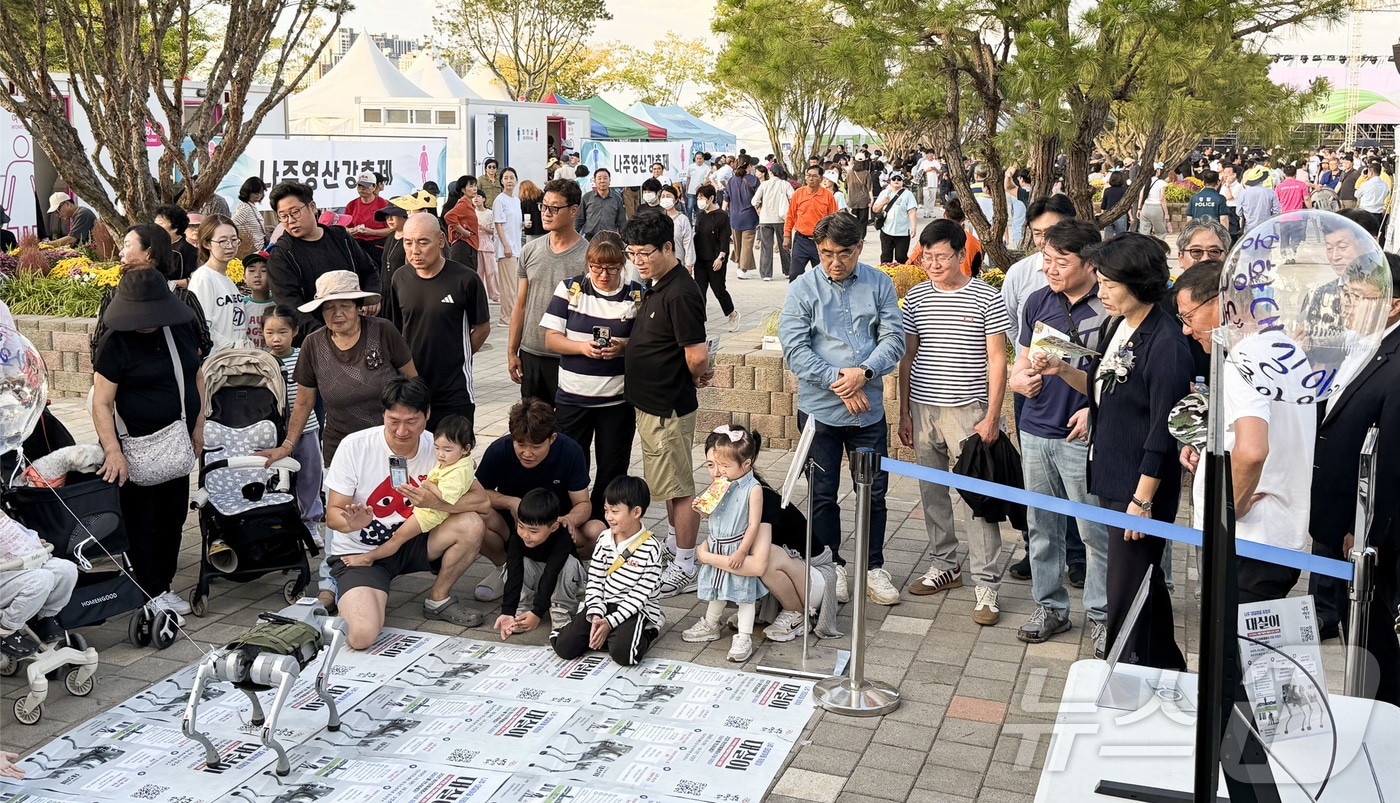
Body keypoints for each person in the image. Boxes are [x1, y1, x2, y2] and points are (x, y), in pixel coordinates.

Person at [1033, 233, 1191, 670]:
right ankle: (1166, 668)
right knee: (1143, 585)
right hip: (1111, 473)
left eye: (1108, 284)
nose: (1100, 292)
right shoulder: (1116, 325)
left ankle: (1126, 670)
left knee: (1126, 588)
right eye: (1099, 282)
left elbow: (1163, 430)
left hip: (1140, 487)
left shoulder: (1165, 343)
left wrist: (1143, 500)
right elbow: (1102, 390)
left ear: (1138, 283)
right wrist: (1062, 369)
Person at [778, 212, 906, 604]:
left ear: (859, 247)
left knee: (874, 492)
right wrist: (842, 382)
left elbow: (894, 339)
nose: (835, 262)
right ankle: (830, 566)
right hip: (820, 414)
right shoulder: (803, 288)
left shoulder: (879, 283)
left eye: (844, 253)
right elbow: (795, 350)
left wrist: (862, 373)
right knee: (822, 494)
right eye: (826, 253)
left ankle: (872, 566)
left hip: (868, 413)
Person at [1174, 260, 1315, 603]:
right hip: (1278, 534)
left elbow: (1252, 450)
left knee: (1232, 635)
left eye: (1188, 317)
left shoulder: (1243, 360)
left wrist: (1230, 509)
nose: (1187, 330)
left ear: (1221, 305)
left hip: (1247, 540)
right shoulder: (1285, 348)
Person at [898, 219, 1012, 620]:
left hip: (970, 412)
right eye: (927, 257)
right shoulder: (916, 298)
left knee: (977, 499)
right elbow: (908, 357)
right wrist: (904, 412)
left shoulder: (987, 297)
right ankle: (945, 565)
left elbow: (997, 360)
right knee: (932, 493)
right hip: (923, 409)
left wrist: (993, 415)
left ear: (962, 255)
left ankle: (987, 584)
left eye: (942, 257)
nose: (933, 264)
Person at [1007, 220, 1111, 653]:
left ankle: (1103, 615)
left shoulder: (1110, 304)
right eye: (1046, 260)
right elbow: (1022, 358)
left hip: (1081, 435)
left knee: (1094, 531)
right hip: (1036, 428)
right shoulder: (1037, 301)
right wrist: (1017, 379)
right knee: (1042, 527)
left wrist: (1096, 409)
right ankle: (1050, 606)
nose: (1050, 269)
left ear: (1089, 263)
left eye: (1061, 262)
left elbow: (1119, 377)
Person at [325, 378, 487, 649]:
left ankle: (438, 598)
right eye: (394, 421)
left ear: (427, 414)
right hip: (363, 552)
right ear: (383, 415)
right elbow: (332, 516)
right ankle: (354, 595)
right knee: (361, 636)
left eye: (411, 421)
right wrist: (351, 523)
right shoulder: (355, 446)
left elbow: (482, 501)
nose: (402, 431)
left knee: (471, 523)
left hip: (415, 539)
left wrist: (437, 503)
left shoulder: (440, 447)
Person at [1308, 255, 1400, 704]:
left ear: (1393, 304)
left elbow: (1392, 458)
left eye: (1359, 297)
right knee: (1356, 628)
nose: (1345, 304)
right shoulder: (1361, 343)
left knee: (1373, 633)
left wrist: (1366, 532)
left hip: (1364, 529)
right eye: (1346, 294)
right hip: (1338, 511)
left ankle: (1384, 712)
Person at [92, 267, 206, 621]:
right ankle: (147, 590)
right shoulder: (115, 343)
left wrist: (199, 426)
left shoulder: (180, 330)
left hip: (175, 442)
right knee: (141, 522)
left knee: (173, 518)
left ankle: (163, 584)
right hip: (134, 447)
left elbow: (197, 376)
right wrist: (112, 450)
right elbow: (101, 402)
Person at [621, 213, 711, 597]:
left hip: (667, 407)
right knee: (670, 485)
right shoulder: (656, 284)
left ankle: (686, 565)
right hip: (652, 404)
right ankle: (676, 550)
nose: (638, 261)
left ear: (668, 248)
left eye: (645, 253)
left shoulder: (681, 292)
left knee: (680, 487)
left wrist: (692, 376)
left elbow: (697, 355)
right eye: (632, 253)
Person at [256, 270, 416, 469]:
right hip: (341, 446)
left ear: (358, 307)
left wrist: (414, 429)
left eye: (345, 306)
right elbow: (304, 402)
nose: (337, 313)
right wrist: (287, 445)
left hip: (391, 441)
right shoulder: (313, 344)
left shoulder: (383, 330)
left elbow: (412, 381)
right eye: (329, 307)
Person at [541, 237, 641, 524]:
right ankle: (571, 519)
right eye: (596, 267)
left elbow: (646, 342)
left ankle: (604, 522)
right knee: (572, 464)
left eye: (611, 268)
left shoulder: (636, 295)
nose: (603, 275)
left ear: (623, 265)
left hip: (616, 401)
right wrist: (582, 347)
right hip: (573, 398)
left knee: (613, 466)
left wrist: (623, 348)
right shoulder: (571, 289)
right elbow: (551, 339)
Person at [474, 398, 601, 601]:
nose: (527, 453)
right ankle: (506, 569)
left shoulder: (570, 451)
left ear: (552, 438)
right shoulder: (499, 450)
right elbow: (479, 493)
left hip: (556, 526)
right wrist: (511, 502)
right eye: (520, 444)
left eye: (535, 446)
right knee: (474, 517)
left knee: (597, 531)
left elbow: (583, 503)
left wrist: (569, 519)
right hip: (514, 526)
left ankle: (569, 569)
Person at [392, 213, 490, 434]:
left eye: (423, 242)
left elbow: (482, 328)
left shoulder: (465, 279)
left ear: (441, 240)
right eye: (408, 243)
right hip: (413, 389)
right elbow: (396, 330)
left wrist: (458, 356)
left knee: (453, 451)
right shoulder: (400, 278)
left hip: (454, 391)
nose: (415, 250)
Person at [552, 475, 664, 666]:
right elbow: (595, 580)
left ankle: (649, 630)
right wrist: (596, 614)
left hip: (634, 608)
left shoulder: (651, 548)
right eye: (606, 510)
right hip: (603, 603)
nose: (608, 517)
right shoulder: (604, 538)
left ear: (636, 512)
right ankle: (608, 634)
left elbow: (640, 596)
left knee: (625, 656)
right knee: (564, 647)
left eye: (615, 511)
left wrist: (611, 622)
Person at [682, 425, 770, 662]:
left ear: (746, 464)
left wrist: (742, 551)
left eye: (724, 466)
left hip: (735, 547)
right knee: (717, 588)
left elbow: (753, 525)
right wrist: (702, 510)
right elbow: (714, 513)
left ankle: (744, 636)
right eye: (711, 465)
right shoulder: (720, 484)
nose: (717, 472)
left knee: (744, 594)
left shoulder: (753, 489)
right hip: (717, 544)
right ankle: (711, 624)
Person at [509, 179, 588, 404]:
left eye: (554, 208)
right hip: (531, 354)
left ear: (573, 210)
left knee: (566, 422)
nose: (546, 213)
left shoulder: (588, 256)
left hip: (568, 356)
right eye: (543, 206)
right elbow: (521, 304)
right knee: (533, 421)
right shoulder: (530, 250)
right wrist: (512, 351)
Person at [266, 181, 381, 334]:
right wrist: (323, 336)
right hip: (314, 336)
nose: (290, 220)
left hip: (356, 328)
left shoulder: (341, 238)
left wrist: (372, 295)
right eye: (283, 216)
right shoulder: (281, 255)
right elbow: (290, 304)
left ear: (312, 207)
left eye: (295, 212)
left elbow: (369, 270)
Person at [259, 306, 326, 548]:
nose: (276, 339)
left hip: (307, 428)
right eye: (269, 333)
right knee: (274, 478)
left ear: (295, 331)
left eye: (282, 332)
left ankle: (311, 522)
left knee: (310, 475)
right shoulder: (262, 362)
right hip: (274, 433)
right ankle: (278, 524)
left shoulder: (304, 356)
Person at [494, 488, 586, 638]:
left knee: (569, 564)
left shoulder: (562, 538)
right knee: (514, 566)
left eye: (533, 531)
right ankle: (522, 607)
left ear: (553, 527)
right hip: (538, 577)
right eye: (521, 526)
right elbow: (514, 574)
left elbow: (552, 573)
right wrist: (507, 611)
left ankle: (561, 609)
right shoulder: (517, 539)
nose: (525, 535)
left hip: (561, 578)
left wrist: (538, 612)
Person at [0, 513, 78, 660]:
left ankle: (45, 618)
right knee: (41, 579)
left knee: (66, 570)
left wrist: (30, 542)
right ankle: (5, 629)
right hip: (4, 574)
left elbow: (15, 533)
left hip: (20, 565)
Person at [189, 214, 249, 352]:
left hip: (237, 357)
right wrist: (233, 347)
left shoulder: (227, 279)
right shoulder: (204, 277)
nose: (230, 246)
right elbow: (204, 327)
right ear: (207, 243)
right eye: (222, 241)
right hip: (219, 359)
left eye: (234, 240)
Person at [692, 185, 740, 331]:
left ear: (711, 198)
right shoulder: (701, 215)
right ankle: (700, 321)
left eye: (702, 198)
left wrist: (721, 257)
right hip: (700, 259)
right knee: (699, 291)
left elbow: (724, 239)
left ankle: (732, 313)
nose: (699, 201)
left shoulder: (722, 216)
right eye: (698, 198)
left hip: (715, 258)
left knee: (718, 289)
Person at [784, 165, 839, 279]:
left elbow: (834, 219)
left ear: (821, 178)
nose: (810, 179)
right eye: (808, 175)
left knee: (823, 275)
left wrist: (834, 240)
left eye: (814, 176)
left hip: (821, 241)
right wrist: (787, 236)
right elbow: (790, 216)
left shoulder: (828, 196)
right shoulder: (799, 193)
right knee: (794, 274)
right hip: (801, 240)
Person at [494, 167, 525, 329]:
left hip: (516, 247)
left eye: (512, 177)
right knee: (508, 287)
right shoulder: (500, 200)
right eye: (506, 178)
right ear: (501, 181)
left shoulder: (516, 200)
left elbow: (514, 223)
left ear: (516, 180)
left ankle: (513, 316)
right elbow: (498, 224)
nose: (509, 181)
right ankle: (506, 318)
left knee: (516, 285)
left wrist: (525, 224)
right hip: (506, 249)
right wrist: (506, 245)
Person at [753, 163, 793, 282]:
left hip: (765, 219)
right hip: (781, 219)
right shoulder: (785, 184)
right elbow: (793, 197)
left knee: (766, 247)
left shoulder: (764, 184)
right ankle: (788, 270)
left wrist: (758, 208)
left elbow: (754, 200)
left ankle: (766, 274)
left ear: (770, 173)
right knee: (784, 245)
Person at [375, 203, 409, 331]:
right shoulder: (390, 236)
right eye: (387, 216)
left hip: (402, 292)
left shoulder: (410, 239)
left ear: (404, 216)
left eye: (393, 216)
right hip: (386, 292)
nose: (389, 219)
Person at [871, 173, 919, 264]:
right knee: (886, 256)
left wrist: (913, 227)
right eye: (894, 179)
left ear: (902, 181)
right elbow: (875, 209)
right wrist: (883, 203)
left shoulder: (908, 195)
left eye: (899, 179)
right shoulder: (884, 193)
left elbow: (912, 211)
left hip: (902, 232)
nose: (896, 181)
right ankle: (885, 272)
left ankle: (903, 272)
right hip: (886, 231)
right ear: (890, 181)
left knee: (901, 257)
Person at [575, 167, 627, 240]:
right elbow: (579, 219)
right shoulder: (587, 197)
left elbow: (622, 222)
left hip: (609, 238)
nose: (602, 181)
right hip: (590, 238)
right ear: (594, 181)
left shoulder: (617, 199)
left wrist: (624, 239)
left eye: (605, 178)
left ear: (609, 181)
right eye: (599, 178)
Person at [443, 175, 480, 273]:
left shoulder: (468, 204)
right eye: (471, 186)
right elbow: (449, 216)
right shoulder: (463, 204)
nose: (474, 189)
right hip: (464, 246)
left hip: (468, 245)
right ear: (463, 190)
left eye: (475, 186)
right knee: (466, 275)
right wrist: (463, 232)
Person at [154, 203, 199, 281]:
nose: (155, 228)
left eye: (160, 224)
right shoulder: (154, 246)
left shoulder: (187, 252)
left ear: (175, 228)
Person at [660, 185, 695, 275]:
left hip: (678, 264)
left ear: (675, 200)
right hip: (661, 265)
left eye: (668, 196)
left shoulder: (682, 219)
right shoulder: (658, 219)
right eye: (663, 196)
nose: (665, 199)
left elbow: (688, 243)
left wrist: (689, 264)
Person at [241, 252, 274, 349]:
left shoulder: (278, 304)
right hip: (248, 356)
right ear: (244, 277)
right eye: (251, 270)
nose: (257, 275)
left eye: (264, 270)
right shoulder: (240, 305)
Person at [1237, 166, 1280, 234]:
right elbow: (1277, 211)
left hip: (1249, 230)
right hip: (1266, 228)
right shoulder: (1270, 192)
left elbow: (1238, 212)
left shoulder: (1243, 194)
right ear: (1261, 179)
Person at [233, 177, 269, 252]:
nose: (258, 195)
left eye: (261, 193)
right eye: (256, 193)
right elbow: (232, 224)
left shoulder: (250, 205)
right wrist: (243, 239)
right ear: (247, 191)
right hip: (253, 249)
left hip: (258, 247)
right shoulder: (245, 208)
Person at [1135, 168, 1170, 238]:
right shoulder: (1160, 182)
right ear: (1157, 171)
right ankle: (1159, 244)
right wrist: (1166, 213)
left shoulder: (1146, 181)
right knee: (1161, 232)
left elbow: (1141, 196)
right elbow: (1162, 198)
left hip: (1145, 207)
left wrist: (1139, 209)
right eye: (1159, 169)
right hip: (1157, 208)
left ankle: (1144, 244)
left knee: (1144, 232)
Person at [1101, 171, 1129, 235]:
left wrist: (1102, 215)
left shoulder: (1107, 190)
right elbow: (1127, 204)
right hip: (1120, 214)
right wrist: (1131, 216)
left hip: (1108, 214)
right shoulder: (1124, 190)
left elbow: (1103, 205)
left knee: (1108, 236)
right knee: (1121, 236)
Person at [518, 179, 545, 245]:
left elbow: (522, 217)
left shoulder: (524, 201)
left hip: (531, 230)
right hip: (544, 229)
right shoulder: (542, 196)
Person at [685, 152, 711, 219]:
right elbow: (688, 178)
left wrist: (701, 185)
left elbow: (708, 180)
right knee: (689, 207)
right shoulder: (691, 167)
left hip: (701, 192)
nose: (699, 160)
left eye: (700, 158)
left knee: (699, 209)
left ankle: (698, 223)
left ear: (703, 158)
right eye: (697, 158)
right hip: (691, 191)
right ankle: (689, 223)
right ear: (695, 158)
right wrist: (687, 189)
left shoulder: (706, 168)